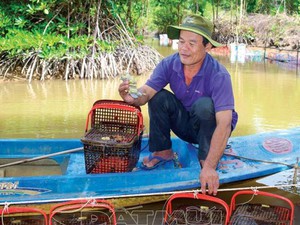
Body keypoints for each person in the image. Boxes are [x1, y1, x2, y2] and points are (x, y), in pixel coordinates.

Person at [118, 14, 238, 196]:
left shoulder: (219, 75)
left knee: (204, 105)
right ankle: (163, 151)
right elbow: (147, 92)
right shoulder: (169, 64)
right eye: (181, 42)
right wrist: (132, 97)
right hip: (186, 125)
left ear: (207, 46)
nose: (184, 48)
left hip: (210, 130)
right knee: (158, 97)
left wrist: (211, 167)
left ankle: (205, 160)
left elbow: (224, 123)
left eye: (192, 43)